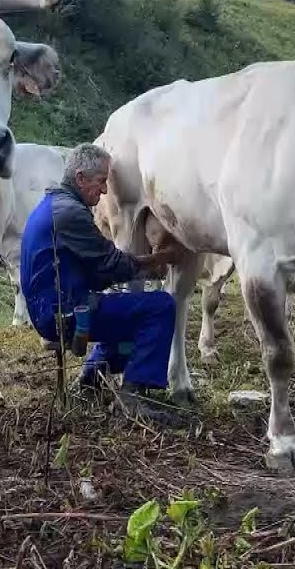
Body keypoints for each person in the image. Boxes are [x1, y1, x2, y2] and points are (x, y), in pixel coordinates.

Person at [19, 143, 184, 412]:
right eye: (101, 181)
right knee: (160, 307)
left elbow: (95, 269)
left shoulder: (54, 204)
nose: (105, 190)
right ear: (80, 178)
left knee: (126, 311)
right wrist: (159, 259)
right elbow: (112, 265)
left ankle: (91, 376)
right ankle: (133, 395)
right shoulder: (70, 214)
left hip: (52, 307)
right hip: (62, 313)